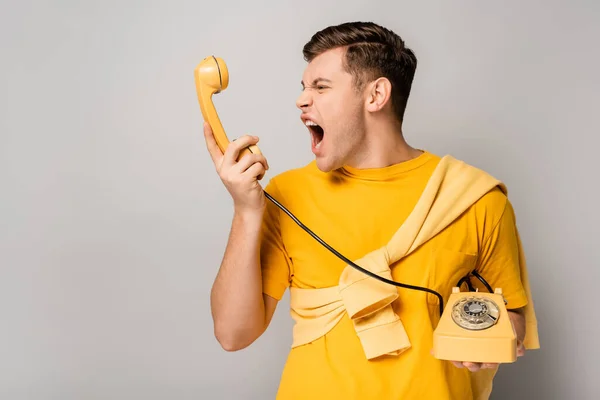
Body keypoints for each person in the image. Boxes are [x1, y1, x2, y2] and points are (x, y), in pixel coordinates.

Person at [203, 21, 539, 400]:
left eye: (321, 87)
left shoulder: (474, 197)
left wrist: (491, 339)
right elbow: (232, 334)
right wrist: (247, 211)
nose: (301, 100)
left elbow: (512, 317)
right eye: (303, 88)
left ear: (376, 94)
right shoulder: (286, 195)